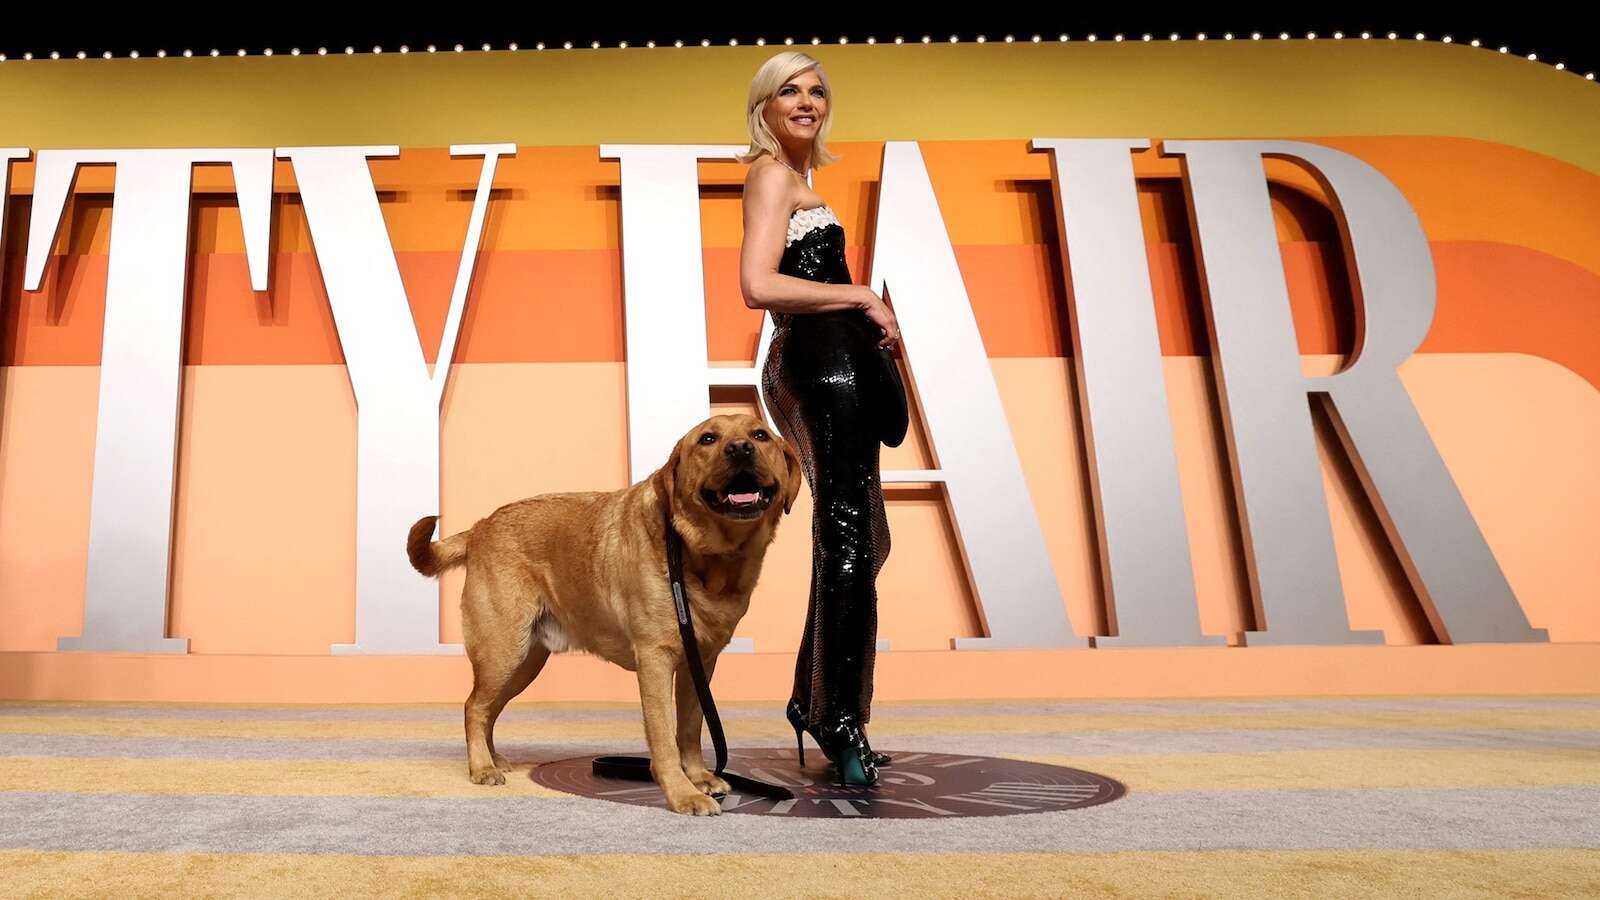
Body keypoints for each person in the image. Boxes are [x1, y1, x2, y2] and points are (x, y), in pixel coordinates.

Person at [737, 51, 901, 787]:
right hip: (814, 364)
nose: (805, 101)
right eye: (788, 92)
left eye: (815, 90)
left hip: (834, 361)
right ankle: (839, 718)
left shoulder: (803, 182)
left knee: (867, 534)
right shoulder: (772, 175)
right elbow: (758, 283)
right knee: (847, 529)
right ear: (765, 109)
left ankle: (817, 699)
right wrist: (862, 296)